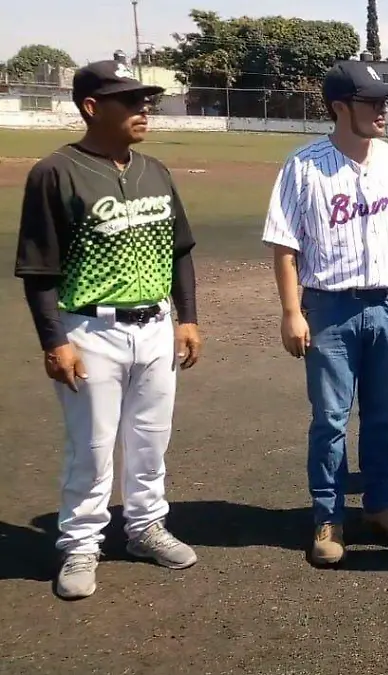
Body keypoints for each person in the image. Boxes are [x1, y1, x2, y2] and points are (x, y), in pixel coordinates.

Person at [13, 60, 203, 600]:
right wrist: (54, 341)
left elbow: (181, 252)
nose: (145, 109)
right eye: (131, 100)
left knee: (150, 441)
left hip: (156, 326)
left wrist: (187, 318)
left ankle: (145, 527)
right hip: (89, 331)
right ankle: (79, 544)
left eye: (146, 99)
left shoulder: (155, 171)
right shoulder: (56, 172)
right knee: (92, 447)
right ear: (92, 108)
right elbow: (39, 270)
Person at [261, 60, 388, 566]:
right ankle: (328, 515)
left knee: (383, 418)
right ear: (341, 107)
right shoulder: (305, 165)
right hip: (331, 309)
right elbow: (285, 245)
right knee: (331, 420)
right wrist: (291, 312)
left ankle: (380, 507)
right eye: (372, 101)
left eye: (386, 100)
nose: (384, 108)